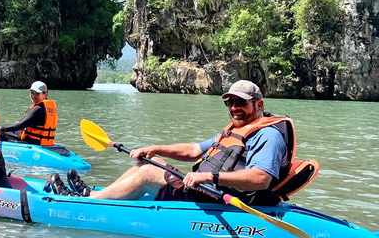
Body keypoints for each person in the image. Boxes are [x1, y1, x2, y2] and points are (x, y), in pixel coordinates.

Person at [50, 80, 296, 204]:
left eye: (241, 103)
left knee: (147, 173)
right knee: (149, 161)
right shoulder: (237, 129)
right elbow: (193, 151)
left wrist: (210, 177)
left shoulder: (268, 134)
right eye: (229, 103)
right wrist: (154, 148)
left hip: (218, 196)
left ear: (259, 105)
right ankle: (98, 194)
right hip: (204, 189)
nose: (234, 108)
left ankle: (88, 203)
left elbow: (261, 179)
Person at [0, 81, 58, 146]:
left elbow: (20, 125)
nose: (33, 96)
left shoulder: (39, 108)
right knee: (14, 130)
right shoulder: (46, 107)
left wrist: (2, 128)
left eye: (37, 93)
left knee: (0, 134)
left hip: (32, 142)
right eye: (32, 93)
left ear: (45, 94)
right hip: (43, 142)